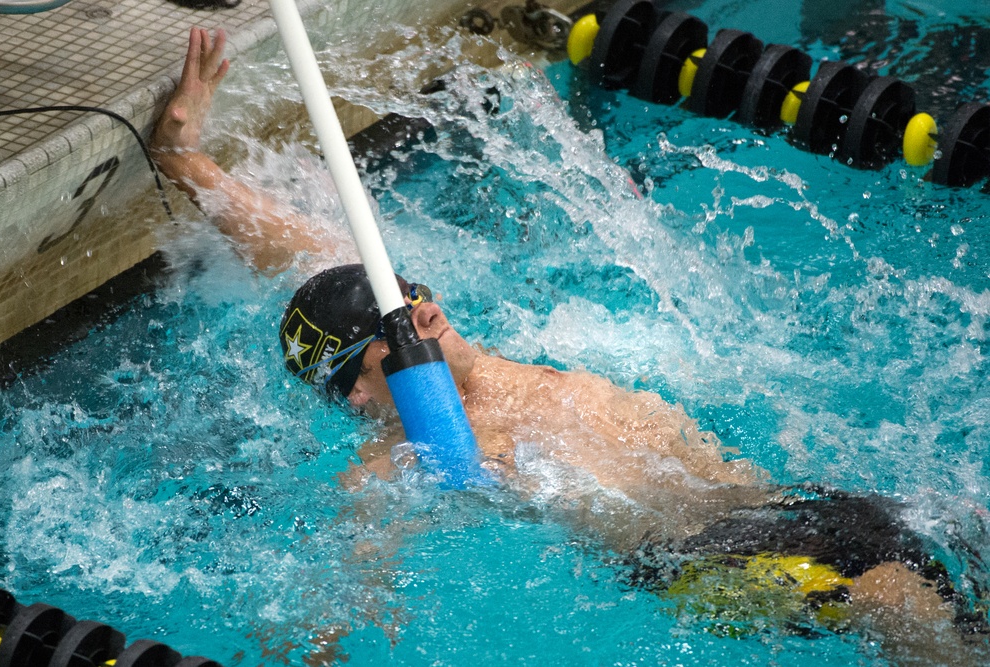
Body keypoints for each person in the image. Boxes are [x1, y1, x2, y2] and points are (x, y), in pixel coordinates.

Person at [152, 27, 989, 665]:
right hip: (706, 561)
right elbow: (346, 579)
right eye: (374, 352)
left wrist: (188, 161)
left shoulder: (504, 342)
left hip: (797, 502)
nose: (415, 317)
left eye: (408, 301)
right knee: (906, 612)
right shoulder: (403, 459)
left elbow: (311, 247)